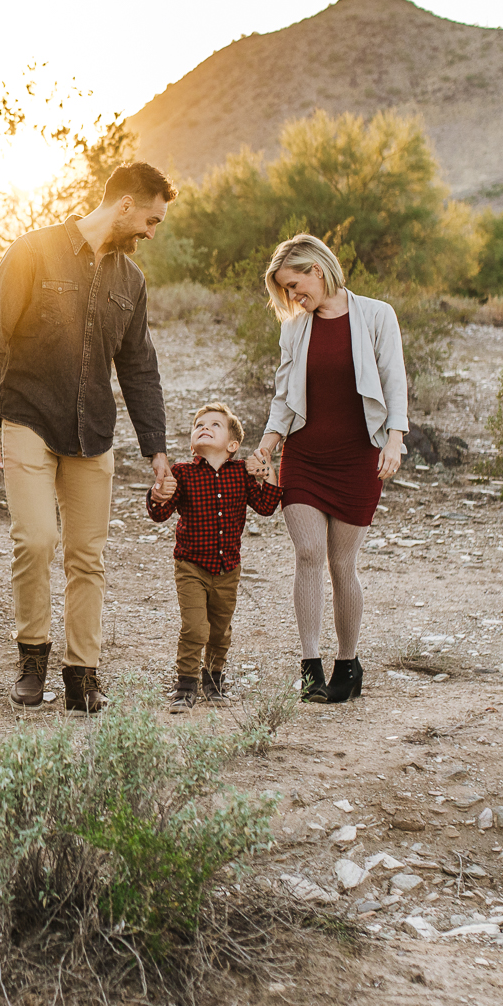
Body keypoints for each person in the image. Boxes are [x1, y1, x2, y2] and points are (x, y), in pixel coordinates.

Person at [0, 162, 175, 714]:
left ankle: (83, 674)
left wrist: (157, 448)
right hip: (28, 418)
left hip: (93, 434)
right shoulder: (32, 251)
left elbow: (139, 369)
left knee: (88, 556)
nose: (153, 232)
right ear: (125, 205)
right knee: (35, 540)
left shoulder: (131, 281)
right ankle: (32, 658)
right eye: (151, 220)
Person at [252, 234, 407, 704]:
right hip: (306, 456)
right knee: (307, 554)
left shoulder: (377, 315)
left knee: (342, 563)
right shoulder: (295, 328)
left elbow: (394, 378)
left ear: (318, 270)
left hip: (359, 457)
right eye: (286, 291)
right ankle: (310, 665)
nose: (294, 298)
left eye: (296, 286)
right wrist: (266, 446)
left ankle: (348, 663)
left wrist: (395, 439)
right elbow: (283, 396)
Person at [147, 402, 282, 713]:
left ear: (232, 445)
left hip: (227, 569)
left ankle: (214, 678)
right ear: (193, 441)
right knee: (195, 627)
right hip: (191, 565)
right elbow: (162, 512)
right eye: (199, 425)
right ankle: (185, 685)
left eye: (214, 425)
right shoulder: (182, 473)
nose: (204, 427)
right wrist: (158, 493)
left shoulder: (241, 475)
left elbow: (265, 505)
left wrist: (268, 472)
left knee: (220, 629)